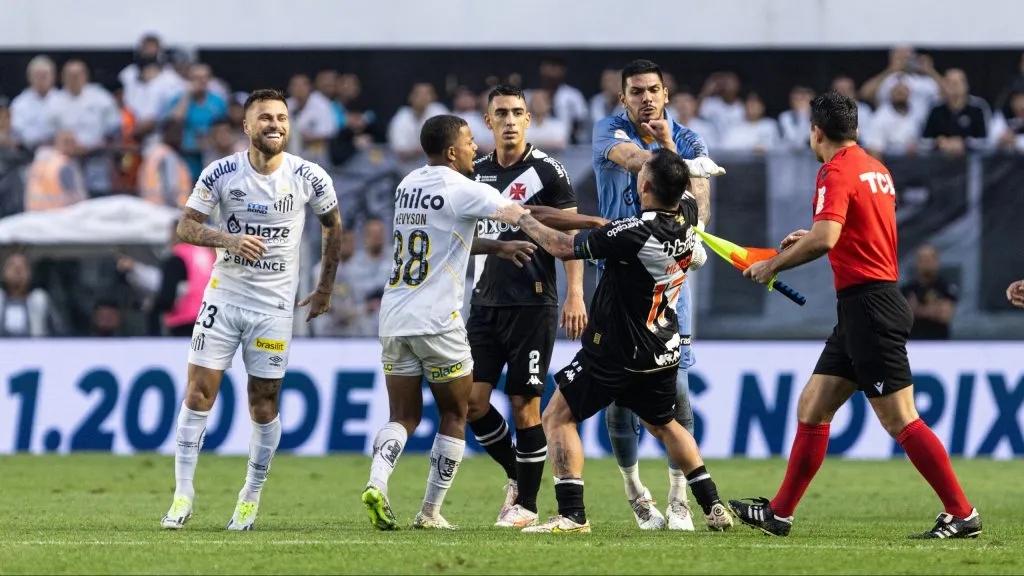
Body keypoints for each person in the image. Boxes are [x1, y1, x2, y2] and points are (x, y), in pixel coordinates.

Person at [732, 91, 980, 540]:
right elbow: (853, 230)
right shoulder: (875, 169)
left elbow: (828, 239)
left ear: (816, 132)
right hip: (862, 308)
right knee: (813, 406)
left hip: (870, 307)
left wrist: (771, 265)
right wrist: (816, 232)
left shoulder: (835, 170)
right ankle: (781, 513)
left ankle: (962, 513)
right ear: (856, 129)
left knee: (901, 418)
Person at [489, 149, 733, 534]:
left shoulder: (633, 233)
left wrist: (520, 217)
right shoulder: (686, 219)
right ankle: (713, 505)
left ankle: (572, 515)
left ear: (646, 186)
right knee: (665, 423)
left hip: (617, 350)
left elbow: (561, 246)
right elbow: (696, 200)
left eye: (642, 174)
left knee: (556, 416)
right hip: (662, 347)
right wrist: (695, 172)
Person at [160, 89, 344, 531]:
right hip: (223, 299)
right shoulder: (221, 172)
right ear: (247, 126)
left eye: (281, 117)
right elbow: (185, 226)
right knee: (198, 392)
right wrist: (228, 239)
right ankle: (182, 494)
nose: (275, 124)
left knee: (263, 403)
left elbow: (333, 226)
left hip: (274, 308)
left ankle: (250, 496)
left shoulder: (310, 176)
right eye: (265, 118)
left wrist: (324, 288)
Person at [361, 115, 535, 530]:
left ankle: (377, 483)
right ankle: (430, 512)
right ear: (453, 151)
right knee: (456, 414)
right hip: (439, 320)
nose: (477, 147)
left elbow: (447, 238)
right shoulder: (466, 188)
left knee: (402, 416)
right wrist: (584, 232)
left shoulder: (407, 185)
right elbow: (521, 215)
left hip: (395, 316)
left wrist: (496, 248)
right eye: (471, 141)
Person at [591, 58, 722, 531]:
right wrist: (670, 154)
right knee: (618, 396)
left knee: (678, 393)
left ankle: (678, 497)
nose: (645, 98)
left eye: (652, 90)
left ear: (666, 94)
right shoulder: (609, 132)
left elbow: (700, 206)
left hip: (669, 282)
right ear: (623, 98)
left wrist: (678, 154)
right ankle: (636, 493)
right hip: (617, 283)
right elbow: (637, 163)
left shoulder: (691, 140)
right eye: (635, 91)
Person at [465, 85, 587, 528]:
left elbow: (571, 238)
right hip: (483, 302)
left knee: (524, 404)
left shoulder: (549, 171)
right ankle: (519, 473)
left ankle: (527, 506)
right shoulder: (473, 171)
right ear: (488, 119)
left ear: (529, 119)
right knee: (471, 403)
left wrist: (575, 293)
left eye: (518, 112)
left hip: (533, 302)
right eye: (502, 113)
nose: (511, 120)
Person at [901, 244, 957, 340]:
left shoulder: (946, 288)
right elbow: (903, 317)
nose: (926, 263)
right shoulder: (907, 289)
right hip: (913, 343)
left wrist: (916, 309)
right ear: (917, 262)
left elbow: (945, 315)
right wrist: (934, 308)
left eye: (930, 259)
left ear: (936, 261)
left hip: (939, 342)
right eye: (923, 259)